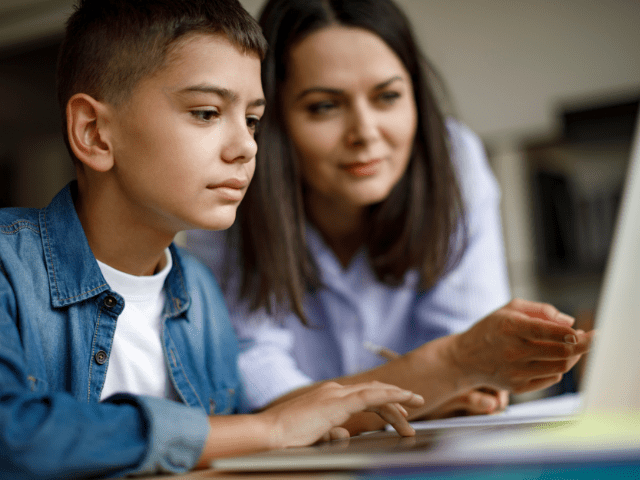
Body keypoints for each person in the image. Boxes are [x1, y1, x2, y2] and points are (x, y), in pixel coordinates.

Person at [0, 0, 429, 478]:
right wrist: (267, 430)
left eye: (252, 120)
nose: (246, 146)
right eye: (206, 113)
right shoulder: (7, 268)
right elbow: (13, 436)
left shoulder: (201, 293)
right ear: (96, 133)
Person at [185, 0, 593, 432]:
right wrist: (442, 377)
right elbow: (258, 395)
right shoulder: (231, 185)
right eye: (324, 106)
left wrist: (447, 375)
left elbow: (479, 381)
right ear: (272, 119)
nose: (365, 132)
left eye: (388, 97)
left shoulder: (452, 160)